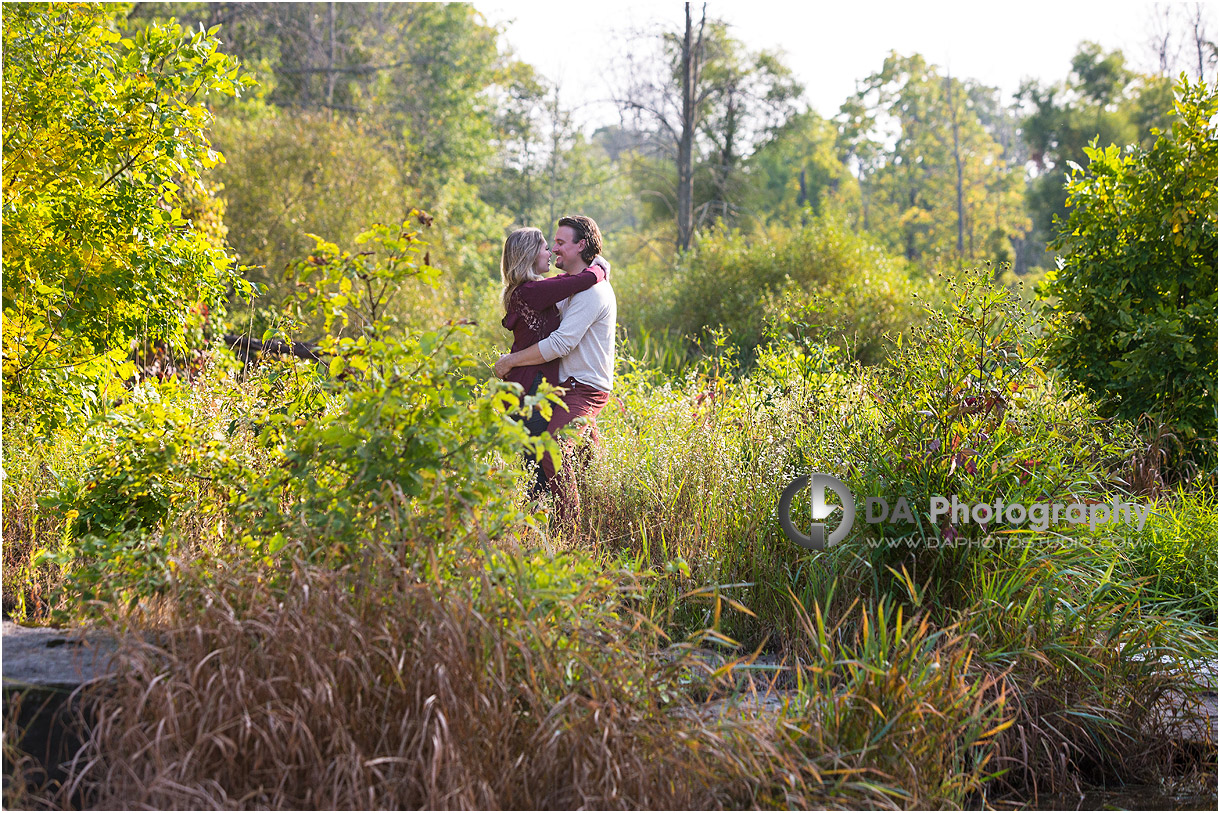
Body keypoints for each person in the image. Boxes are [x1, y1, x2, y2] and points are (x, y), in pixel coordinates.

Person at [495, 215, 616, 527]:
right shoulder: (549, 290)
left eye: (560, 244)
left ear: (581, 245)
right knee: (540, 461)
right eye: (550, 246)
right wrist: (598, 268)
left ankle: (568, 530)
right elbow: (569, 286)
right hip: (548, 386)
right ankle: (540, 527)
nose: (555, 251)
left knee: (551, 449)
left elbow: (560, 343)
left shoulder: (591, 292)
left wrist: (510, 360)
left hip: (581, 387)